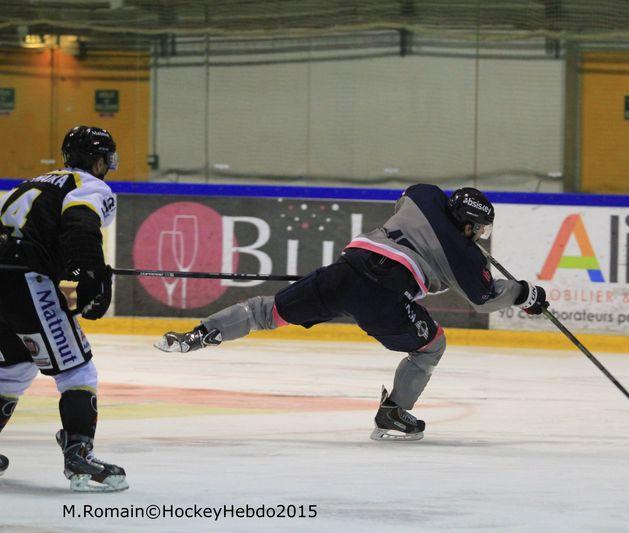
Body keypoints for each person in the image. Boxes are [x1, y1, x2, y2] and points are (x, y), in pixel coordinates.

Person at [156, 184, 549, 441]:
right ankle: (394, 412)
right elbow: (486, 298)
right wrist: (526, 294)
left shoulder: (425, 195)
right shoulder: (464, 257)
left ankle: (198, 334)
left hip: (345, 271)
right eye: (479, 229)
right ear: (468, 227)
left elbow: (403, 202)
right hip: (383, 297)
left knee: (268, 311)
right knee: (431, 345)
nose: (479, 237)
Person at [0, 125, 127, 491]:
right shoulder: (89, 185)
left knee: (14, 368)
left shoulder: (30, 183)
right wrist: (90, 274)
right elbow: (81, 225)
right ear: (99, 160)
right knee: (78, 371)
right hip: (27, 281)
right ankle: (79, 455)